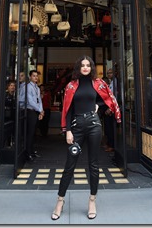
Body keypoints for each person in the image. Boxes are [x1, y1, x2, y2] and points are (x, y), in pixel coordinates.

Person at [51, 56, 121, 220]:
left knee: (93, 165)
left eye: (88, 65)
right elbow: (67, 109)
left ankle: (92, 200)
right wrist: (68, 131)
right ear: (78, 67)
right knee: (70, 165)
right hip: (77, 127)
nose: (85, 67)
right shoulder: (71, 85)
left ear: (91, 67)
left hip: (94, 126)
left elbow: (108, 99)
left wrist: (99, 106)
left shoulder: (98, 83)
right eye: (82, 65)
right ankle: (60, 201)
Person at [20, 70, 44, 161]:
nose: (36, 78)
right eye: (34, 76)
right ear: (30, 77)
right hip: (30, 111)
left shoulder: (37, 88)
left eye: (37, 76)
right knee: (29, 133)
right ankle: (28, 153)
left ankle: (32, 151)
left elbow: (39, 100)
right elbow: (30, 101)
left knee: (34, 133)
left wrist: (41, 111)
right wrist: (40, 110)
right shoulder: (27, 87)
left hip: (36, 111)